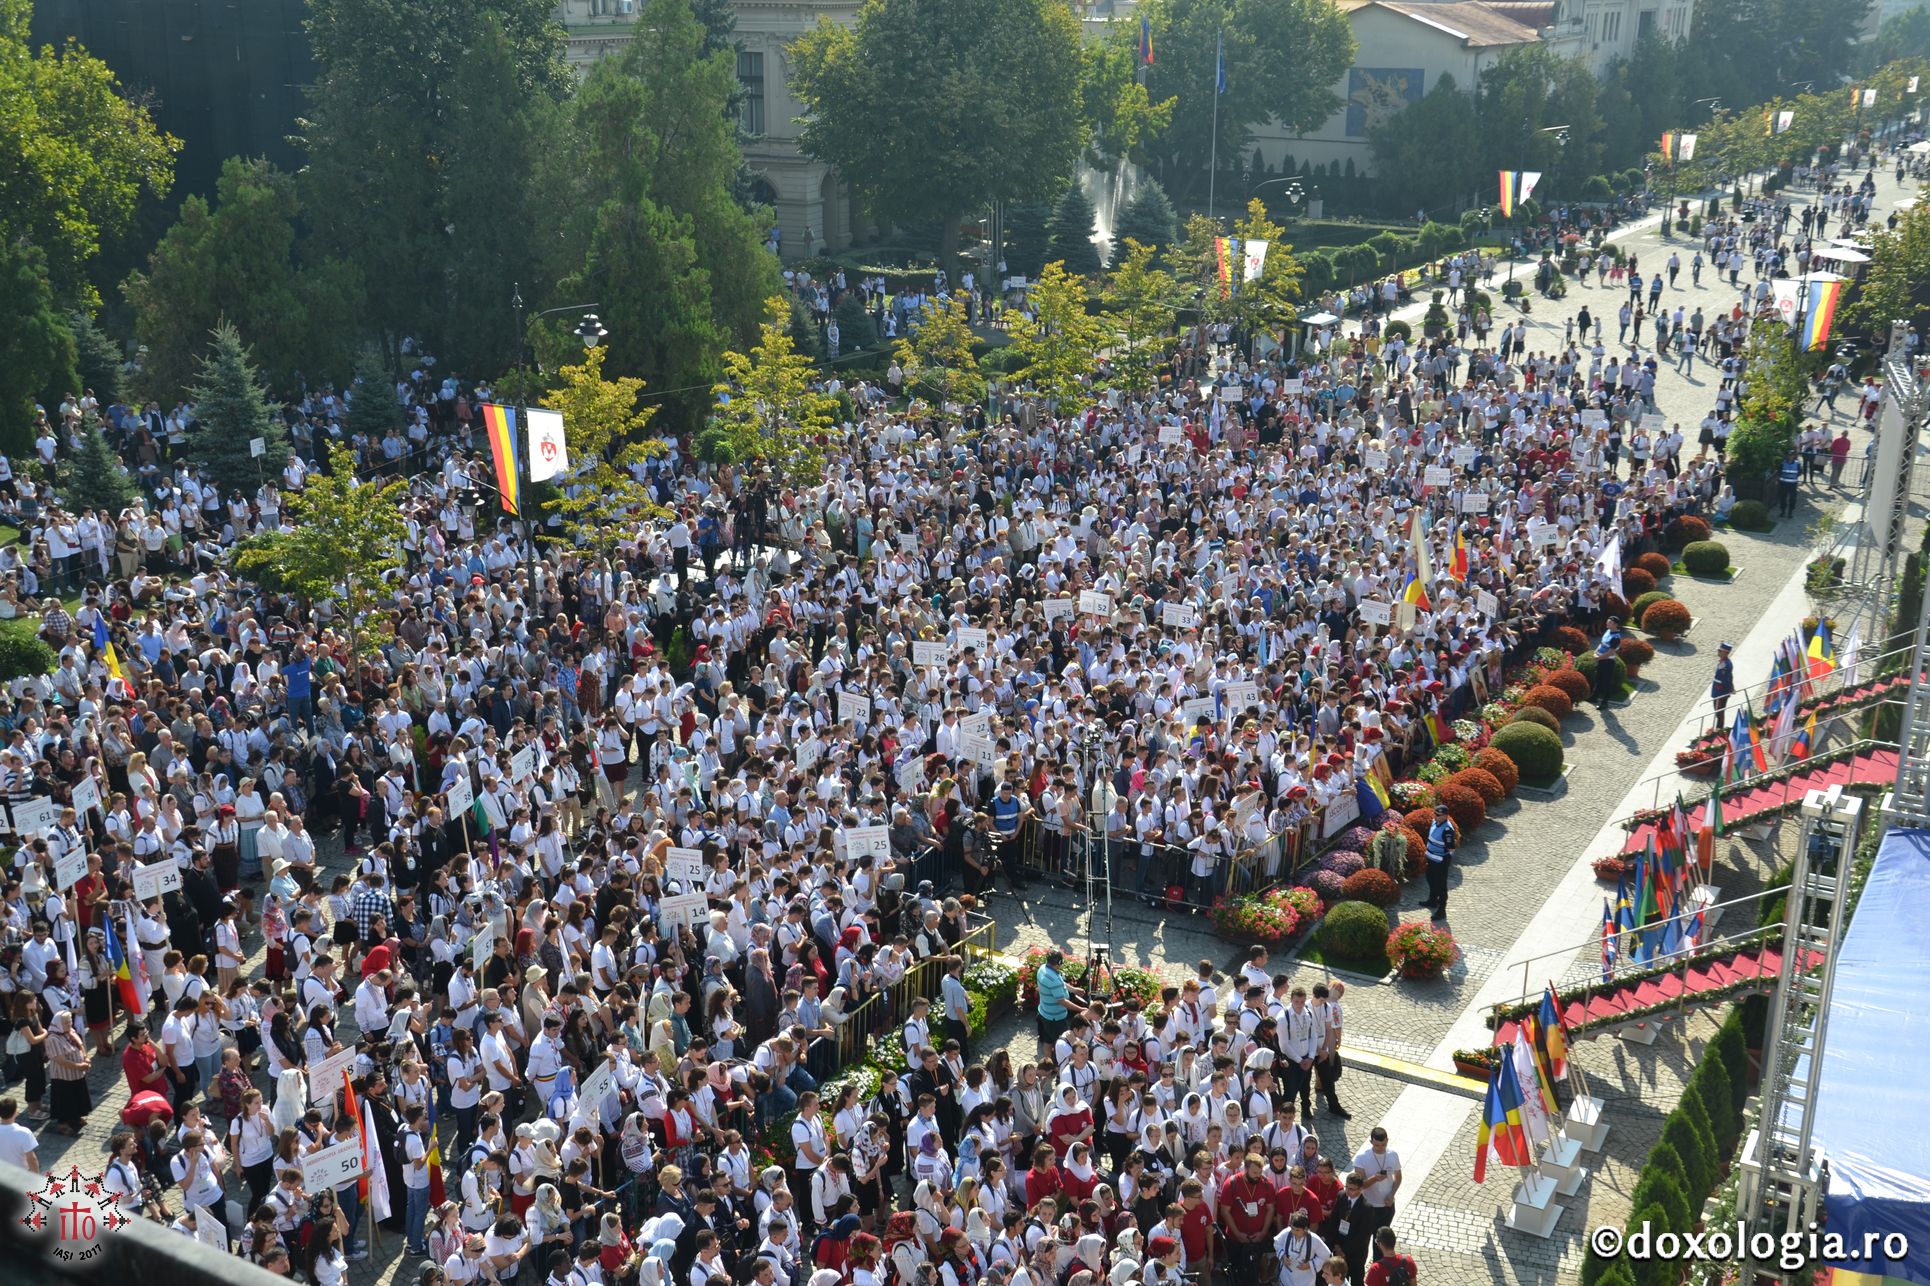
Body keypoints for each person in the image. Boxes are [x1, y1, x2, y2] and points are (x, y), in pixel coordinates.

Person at [1421, 807, 1456, 922]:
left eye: (1439, 815)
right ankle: (1432, 900)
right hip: (1431, 858)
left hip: (1440, 861)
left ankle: (1442, 910)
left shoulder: (1447, 830)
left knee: (1441, 886)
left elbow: (1451, 848)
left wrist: (1444, 861)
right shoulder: (1434, 822)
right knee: (1430, 878)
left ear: (1446, 816)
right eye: (1435, 814)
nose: (1436, 816)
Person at [1710, 642, 1735, 724]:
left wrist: (1730, 689)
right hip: (1718, 691)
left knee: (1719, 712)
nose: (1718, 652)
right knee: (1717, 711)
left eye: (1720, 650)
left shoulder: (1726, 665)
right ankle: (1718, 728)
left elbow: (1727, 679)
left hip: (1721, 692)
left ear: (1725, 652)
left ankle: (1720, 729)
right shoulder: (1723, 662)